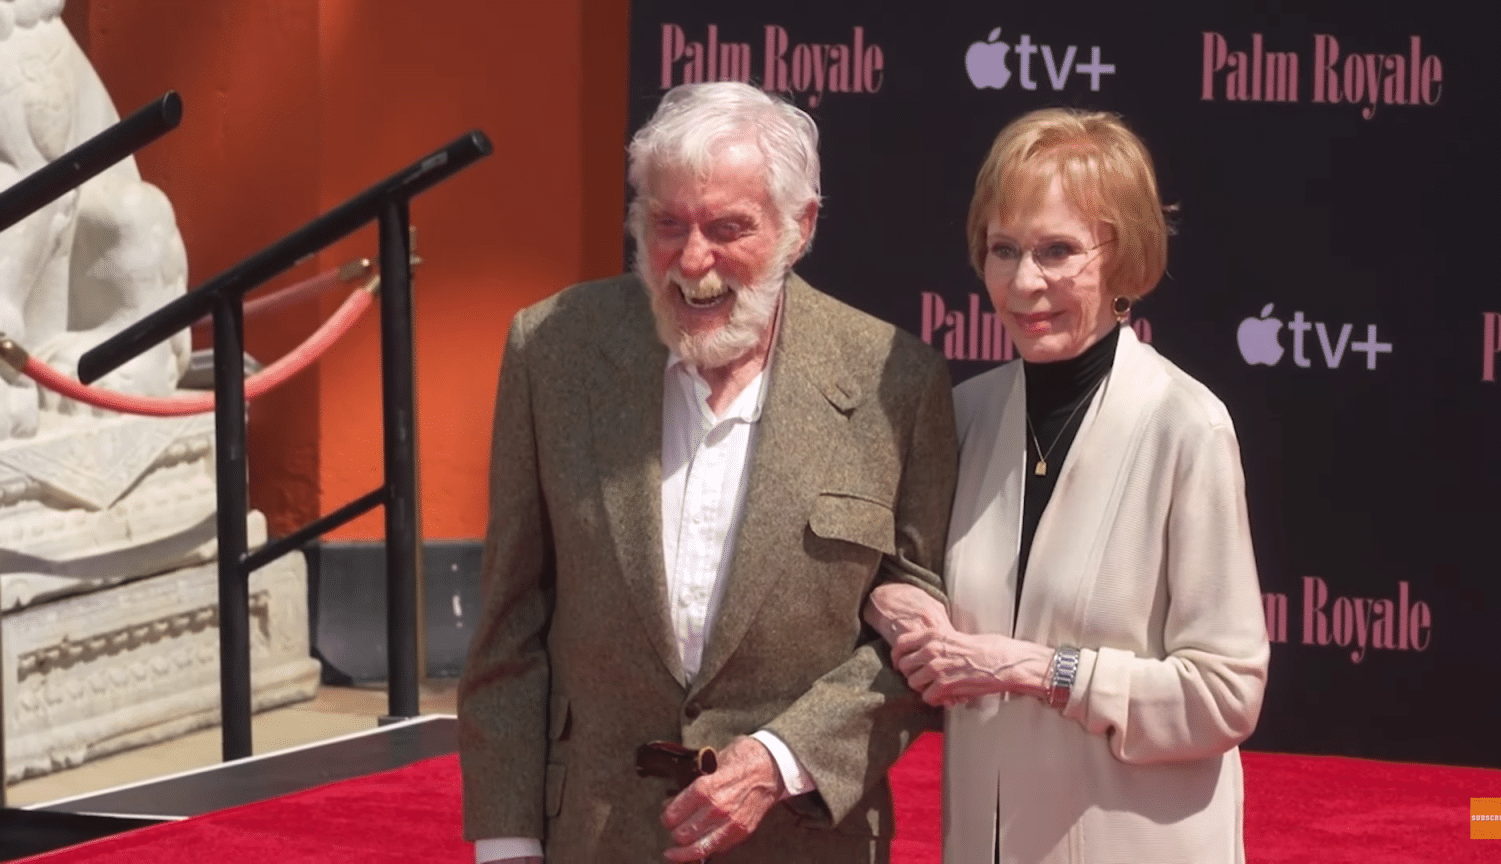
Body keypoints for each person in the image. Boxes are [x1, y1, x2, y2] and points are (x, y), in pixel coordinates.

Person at [458, 81, 958, 864]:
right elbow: (510, 626)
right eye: (667, 225)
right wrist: (507, 843)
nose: (693, 262)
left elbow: (917, 629)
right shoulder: (551, 351)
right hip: (596, 836)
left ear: (800, 229)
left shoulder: (896, 380)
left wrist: (777, 759)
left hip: (805, 838)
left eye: (729, 228)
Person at [864, 108, 1270, 863]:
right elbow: (918, 594)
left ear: (1125, 260)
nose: (1024, 283)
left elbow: (1225, 696)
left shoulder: (1187, 426)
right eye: (1003, 250)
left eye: (1058, 251)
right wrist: (892, 602)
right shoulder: (965, 416)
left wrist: (1030, 668)